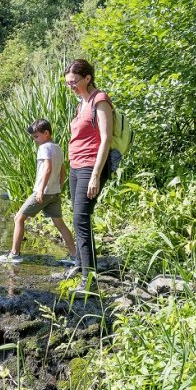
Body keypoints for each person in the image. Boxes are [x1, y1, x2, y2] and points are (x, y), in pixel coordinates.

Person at [0, 119, 76, 264]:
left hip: (43, 192)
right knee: (60, 224)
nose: (35, 140)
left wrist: (40, 190)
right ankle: (75, 256)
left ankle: (14, 254)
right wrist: (58, 186)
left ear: (46, 133)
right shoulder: (57, 147)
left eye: (36, 136)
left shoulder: (44, 147)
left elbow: (48, 168)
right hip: (54, 193)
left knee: (18, 218)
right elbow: (63, 170)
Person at [64, 59, 113, 289]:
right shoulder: (81, 103)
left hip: (90, 167)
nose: (70, 86)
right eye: (67, 83)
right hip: (76, 166)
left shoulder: (99, 100)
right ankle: (83, 267)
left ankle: (88, 280)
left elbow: (106, 138)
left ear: (87, 78)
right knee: (78, 219)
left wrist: (95, 175)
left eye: (73, 82)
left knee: (80, 219)